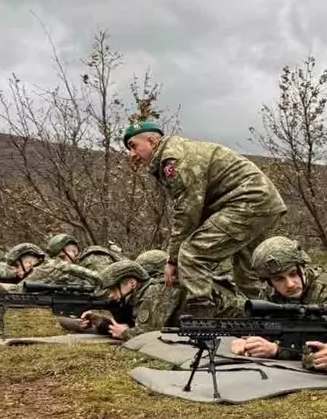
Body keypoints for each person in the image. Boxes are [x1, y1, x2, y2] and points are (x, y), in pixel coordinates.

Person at [123, 120, 287, 317]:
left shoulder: (173, 160)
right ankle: (263, 321)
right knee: (247, 272)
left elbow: (187, 211)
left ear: (152, 140)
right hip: (261, 202)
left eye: (133, 146)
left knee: (192, 253)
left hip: (246, 202)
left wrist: (173, 259)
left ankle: (201, 318)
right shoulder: (178, 151)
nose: (131, 154)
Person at [229, 236, 327, 361]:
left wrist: (277, 350)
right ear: (269, 282)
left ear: (302, 268)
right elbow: (267, 328)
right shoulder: (269, 294)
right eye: (278, 279)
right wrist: (248, 342)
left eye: (293, 274)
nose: (290, 284)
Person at [88, 259, 244, 341]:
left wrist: (126, 333)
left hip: (240, 319)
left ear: (131, 283)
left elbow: (149, 335)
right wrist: (98, 320)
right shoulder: (145, 294)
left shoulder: (155, 292)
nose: (110, 295)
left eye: (112, 289)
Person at [0, 243, 100, 293]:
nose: (16, 272)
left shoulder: (45, 269)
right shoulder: (49, 264)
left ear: (29, 262)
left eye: (17, 266)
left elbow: (18, 290)